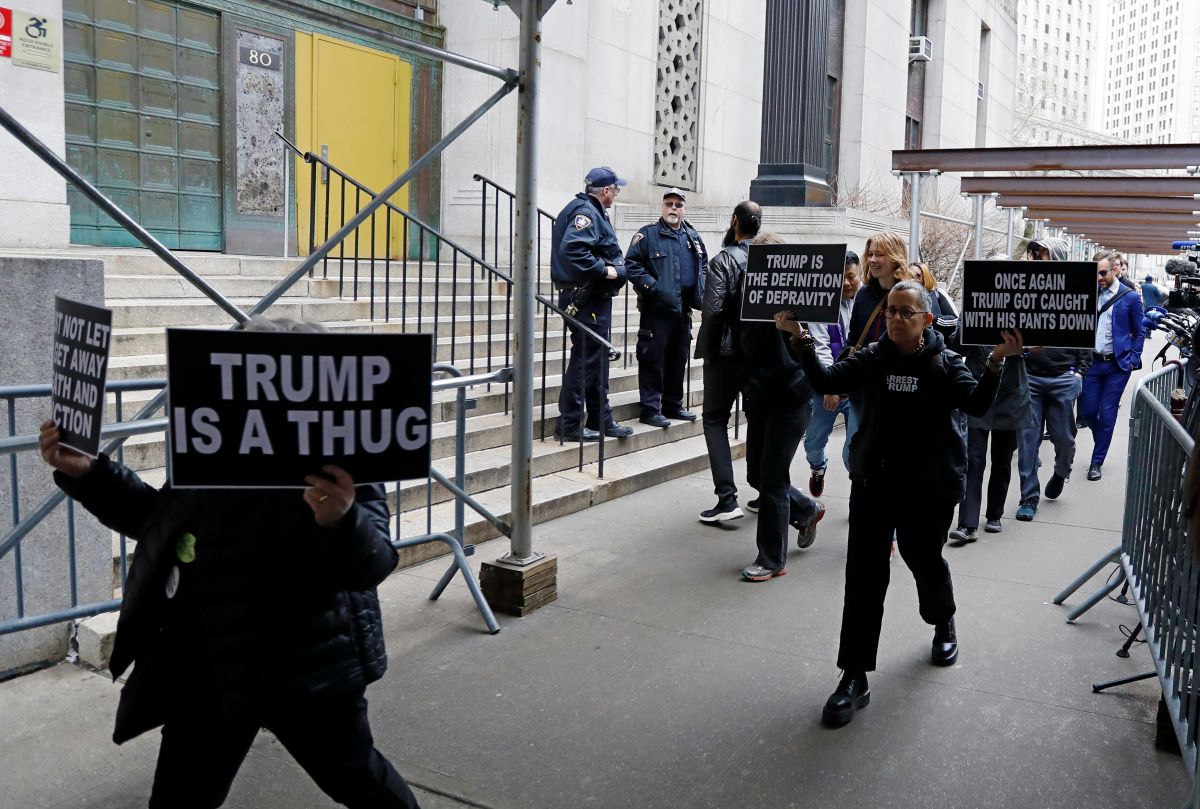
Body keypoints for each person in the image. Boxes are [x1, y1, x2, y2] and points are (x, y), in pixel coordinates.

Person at [36, 322, 420, 809]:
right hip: (211, 667)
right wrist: (91, 473)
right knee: (180, 798)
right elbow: (161, 522)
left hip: (308, 668)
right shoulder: (210, 444)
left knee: (360, 780)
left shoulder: (339, 458)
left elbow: (372, 563)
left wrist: (341, 520)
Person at [778, 281, 1024, 726]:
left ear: (927, 320)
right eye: (891, 310)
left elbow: (976, 402)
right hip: (875, 484)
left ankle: (942, 619)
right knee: (864, 577)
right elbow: (826, 380)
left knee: (923, 558)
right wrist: (801, 339)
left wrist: (996, 362)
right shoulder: (871, 359)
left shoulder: (946, 364)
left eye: (905, 312)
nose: (894, 318)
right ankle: (853, 676)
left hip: (930, 487)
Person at [738, 232, 824, 580]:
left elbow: (810, 347)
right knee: (756, 474)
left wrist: (793, 327)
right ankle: (806, 508)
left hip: (790, 397)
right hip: (759, 396)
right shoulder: (749, 296)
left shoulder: (799, 300)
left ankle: (772, 559)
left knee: (772, 476)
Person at [948, 259, 1033, 543]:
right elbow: (957, 345)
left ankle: (994, 514)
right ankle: (967, 522)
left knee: (1001, 459)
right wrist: (967, 325)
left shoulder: (1026, 308)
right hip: (978, 388)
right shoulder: (974, 303)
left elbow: (1040, 346)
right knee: (972, 458)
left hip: (1011, 394)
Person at [551, 166, 634, 442]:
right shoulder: (586, 212)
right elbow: (572, 249)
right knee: (585, 359)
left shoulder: (590, 210)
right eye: (615, 189)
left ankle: (601, 419)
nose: (616, 193)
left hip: (592, 298)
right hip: (586, 297)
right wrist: (605, 270)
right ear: (606, 191)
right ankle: (570, 424)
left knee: (596, 359)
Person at [1015, 236, 1091, 520]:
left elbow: (1085, 333)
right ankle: (1028, 498)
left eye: (1043, 253)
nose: (1036, 258)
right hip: (1031, 377)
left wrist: (1079, 372)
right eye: (1035, 253)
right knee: (1027, 442)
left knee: (1064, 439)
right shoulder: (1025, 289)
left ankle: (1061, 472)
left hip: (1063, 376)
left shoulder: (1075, 290)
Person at [695, 200, 761, 522]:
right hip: (758, 356)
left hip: (726, 355)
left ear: (735, 221)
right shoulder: (765, 261)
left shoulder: (723, 260)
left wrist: (709, 350)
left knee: (714, 420)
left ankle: (727, 498)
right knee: (758, 419)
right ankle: (765, 489)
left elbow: (713, 311)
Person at [625, 188, 708, 428]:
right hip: (656, 311)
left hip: (683, 311)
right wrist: (654, 287)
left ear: (684, 209)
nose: (673, 208)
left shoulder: (692, 236)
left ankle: (673, 404)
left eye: (678, 204)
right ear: (662, 207)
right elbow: (631, 264)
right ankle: (651, 409)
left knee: (677, 359)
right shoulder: (648, 235)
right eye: (669, 203)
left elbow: (703, 265)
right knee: (652, 359)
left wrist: (700, 290)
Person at [1079, 248, 1146, 480]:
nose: (1099, 278)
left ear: (1115, 270)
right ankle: (1102, 441)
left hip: (1117, 366)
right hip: (1093, 364)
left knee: (1107, 414)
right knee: (1087, 412)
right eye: (1095, 274)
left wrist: (1133, 358)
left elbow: (1139, 331)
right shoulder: (1089, 294)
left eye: (1103, 273)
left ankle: (1096, 462)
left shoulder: (1130, 297)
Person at [802, 251, 862, 497]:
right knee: (812, 443)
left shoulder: (866, 302)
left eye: (851, 277)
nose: (846, 283)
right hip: (827, 386)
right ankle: (818, 467)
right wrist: (831, 387)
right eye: (841, 278)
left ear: (860, 275)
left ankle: (859, 494)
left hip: (857, 390)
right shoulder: (820, 304)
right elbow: (820, 347)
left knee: (854, 451)